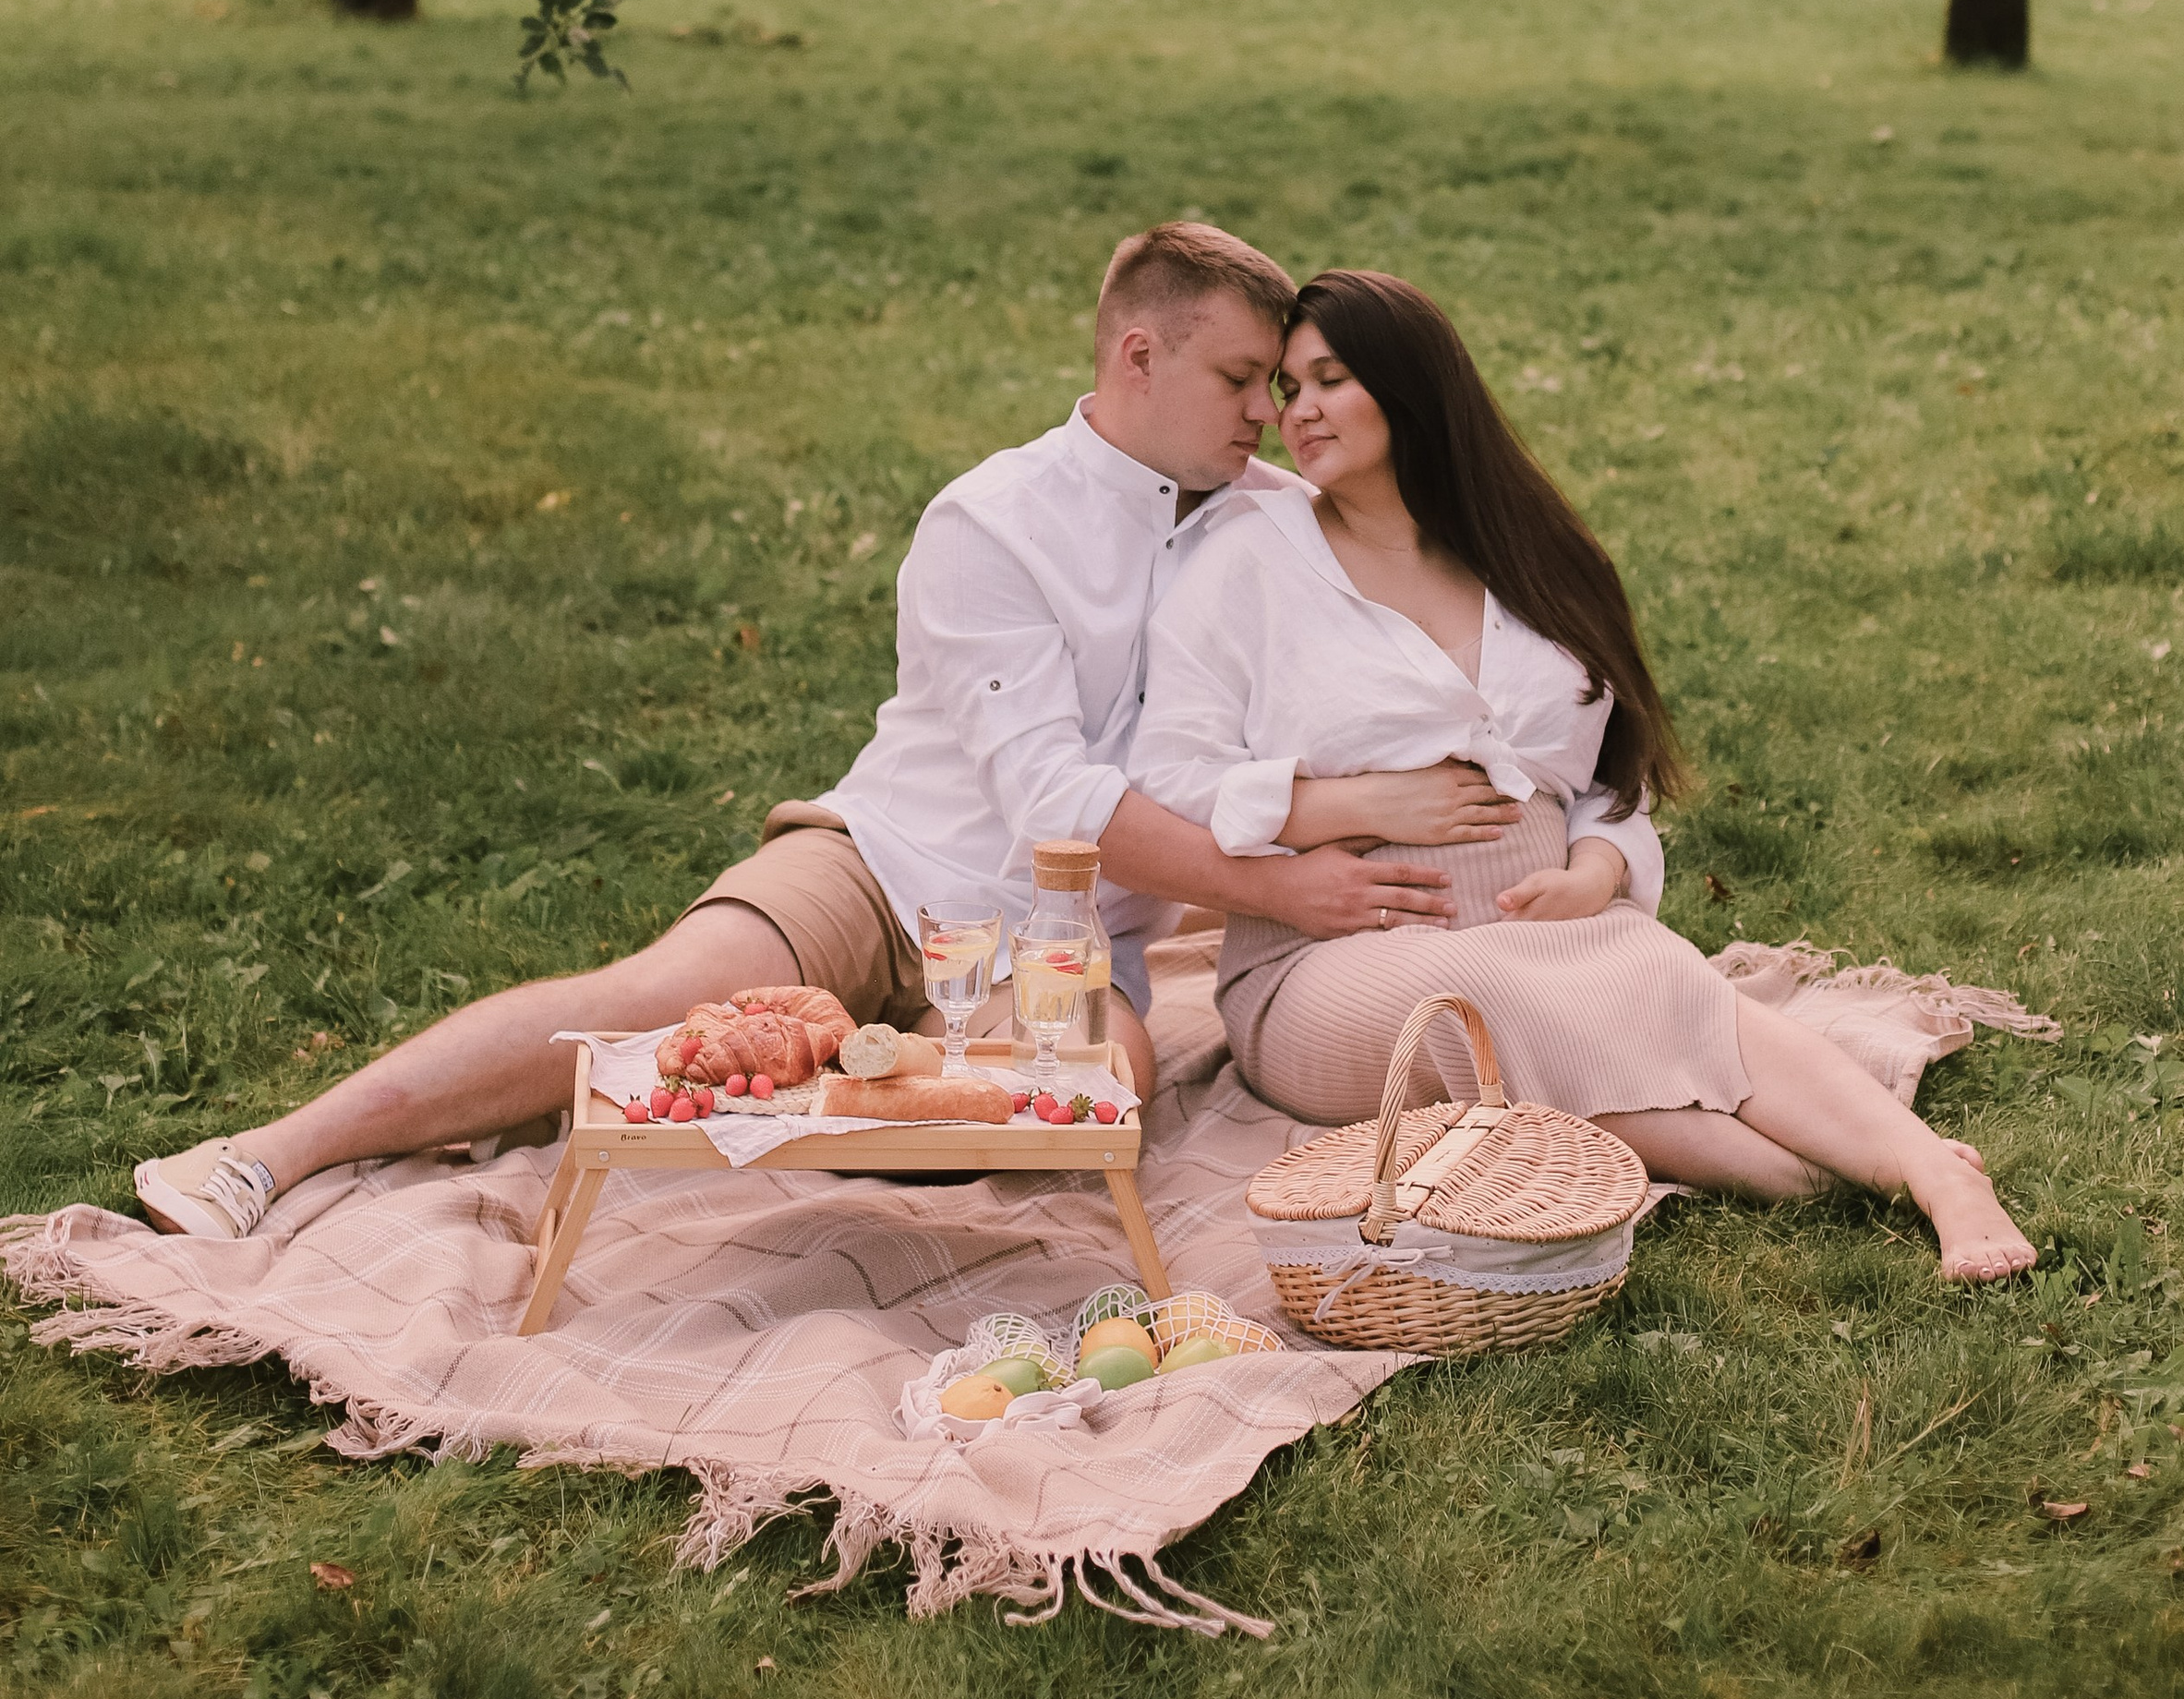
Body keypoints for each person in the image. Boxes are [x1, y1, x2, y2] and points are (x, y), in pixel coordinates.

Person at [132, 223, 1459, 1245]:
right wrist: (1279, 886)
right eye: (1239, 378)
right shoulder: (991, 523)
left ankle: (829, 1087)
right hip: (885, 868)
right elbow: (1053, 802)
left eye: (1271, 384)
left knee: (1096, 1110)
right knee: (652, 1004)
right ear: (1139, 356)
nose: (1262, 414)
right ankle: (273, 1151)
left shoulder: (1273, 520)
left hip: (1063, 941)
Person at [1133, 268, 2038, 1283]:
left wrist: (1601, 867)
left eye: (1329, 381)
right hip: (1334, 952)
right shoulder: (1246, 559)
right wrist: (1344, 806)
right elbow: (1169, 773)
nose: (1295, 413)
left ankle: (1934, 1173)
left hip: (1543, 920)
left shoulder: (1528, 555)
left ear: (1412, 390)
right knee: (1474, 990)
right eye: (1288, 390)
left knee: (1670, 980)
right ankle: (1806, 1178)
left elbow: (1613, 774)